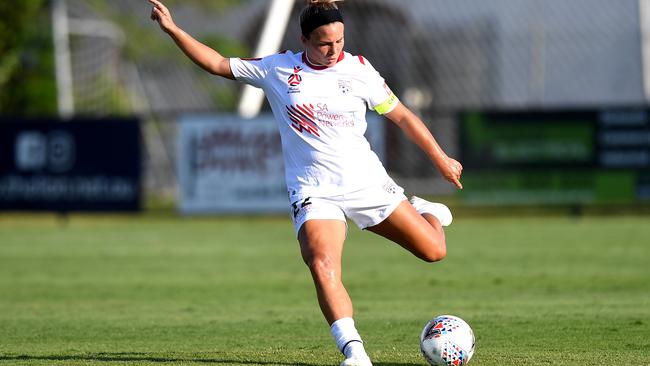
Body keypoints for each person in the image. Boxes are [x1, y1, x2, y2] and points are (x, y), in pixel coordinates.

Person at [149, 0, 463, 365]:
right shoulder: (278, 68)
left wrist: (441, 159)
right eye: (324, 43)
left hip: (367, 184)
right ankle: (355, 353)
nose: (334, 50)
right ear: (304, 39)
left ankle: (427, 211)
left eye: (340, 41)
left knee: (433, 251)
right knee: (321, 262)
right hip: (314, 191)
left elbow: (404, 117)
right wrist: (174, 31)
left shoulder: (360, 70)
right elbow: (218, 63)